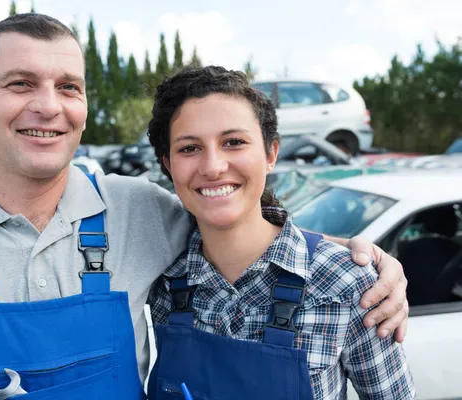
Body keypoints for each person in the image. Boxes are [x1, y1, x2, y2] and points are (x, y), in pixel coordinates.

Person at [0, 13, 408, 399]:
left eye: (68, 86)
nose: (48, 106)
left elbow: (244, 225)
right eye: (20, 83)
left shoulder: (138, 212)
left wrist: (367, 259)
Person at [145, 66, 415, 399]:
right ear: (168, 165)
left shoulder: (346, 284)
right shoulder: (164, 282)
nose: (213, 166)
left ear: (271, 153)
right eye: (189, 148)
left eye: (233, 142)